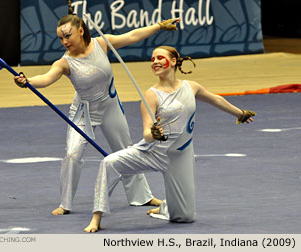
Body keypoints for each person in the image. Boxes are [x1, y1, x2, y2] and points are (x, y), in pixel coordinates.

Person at [14, 1, 181, 215]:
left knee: (125, 151)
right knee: (72, 154)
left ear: (81, 30)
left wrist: (159, 26)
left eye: (68, 36)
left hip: (110, 106)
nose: (64, 41)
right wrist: (28, 81)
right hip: (83, 113)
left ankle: (142, 196)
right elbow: (46, 78)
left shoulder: (102, 44)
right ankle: (65, 203)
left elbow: (132, 36)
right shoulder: (64, 62)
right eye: (61, 38)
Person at [84, 46, 256, 232]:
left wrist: (240, 114)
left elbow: (215, 99)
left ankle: (167, 207)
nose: (155, 62)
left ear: (174, 61)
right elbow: (147, 134)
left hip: (180, 157)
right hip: (154, 152)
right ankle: (96, 218)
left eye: (160, 58)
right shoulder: (150, 95)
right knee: (109, 163)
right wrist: (154, 134)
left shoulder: (191, 87)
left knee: (185, 217)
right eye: (152, 59)